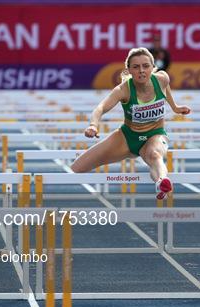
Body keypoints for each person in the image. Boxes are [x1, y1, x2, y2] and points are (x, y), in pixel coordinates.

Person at [71, 47, 190, 199]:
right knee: (77, 167)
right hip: (127, 138)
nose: (141, 71)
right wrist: (93, 125)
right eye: (136, 67)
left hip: (154, 135)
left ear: (153, 68)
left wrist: (175, 107)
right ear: (129, 70)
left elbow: (166, 88)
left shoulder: (162, 79)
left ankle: (161, 182)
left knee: (154, 155)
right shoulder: (123, 90)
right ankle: (160, 179)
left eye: (146, 66)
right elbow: (100, 108)